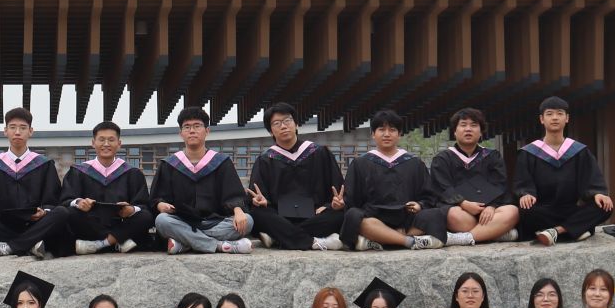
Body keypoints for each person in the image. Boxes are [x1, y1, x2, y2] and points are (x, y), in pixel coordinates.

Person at [11, 121, 154, 258]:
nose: (106, 144)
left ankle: (103, 244)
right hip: (90, 225)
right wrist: (79, 202)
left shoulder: (132, 173)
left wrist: (131, 210)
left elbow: (143, 205)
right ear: (93, 143)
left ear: (119, 143)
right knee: (68, 212)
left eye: (111, 140)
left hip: (122, 222)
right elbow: (65, 201)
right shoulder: (79, 171)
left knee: (146, 216)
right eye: (101, 140)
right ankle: (117, 240)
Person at [0, 106, 65, 257]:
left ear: (30, 131)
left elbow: (52, 199)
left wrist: (44, 212)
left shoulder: (43, 163)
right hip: (3, 223)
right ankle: (30, 245)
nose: (17, 132)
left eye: (23, 128)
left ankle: (9, 247)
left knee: (61, 212)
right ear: (5, 131)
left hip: (35, 223)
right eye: (12, 127)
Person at [152, 105, 254, 254]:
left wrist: (238, 211)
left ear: (207, 131)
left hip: (215, 222)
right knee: (162, 221)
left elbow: (233, 194)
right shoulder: (169, 164)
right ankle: (218, 245)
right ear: (181, 133)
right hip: (182, 221)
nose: (192, 130)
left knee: (248, 220)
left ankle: (186, 243)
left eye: (197, 126)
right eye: (187, 127)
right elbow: (157, 199)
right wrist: (161, 205)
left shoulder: (221, 162)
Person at [248, 103, 347, 251]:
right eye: (276, 123)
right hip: (279, 216)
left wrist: (330, 206)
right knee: (258, 214)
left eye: (287, 120)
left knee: (341, 214)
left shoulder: (320, 153)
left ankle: (279, 237)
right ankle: (314, 241)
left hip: (315, 215)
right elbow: (257, 197)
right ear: (270, 131)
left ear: (296, 124)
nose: (283, 126)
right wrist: (260, 201)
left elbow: (337, 191)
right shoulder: (265, 160)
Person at [516, 97, 614, 246]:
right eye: (549, 114)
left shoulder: (579, 151)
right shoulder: (529, 152)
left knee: (604, 207)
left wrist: (598, 193)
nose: (555, 118)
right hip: (543, 210)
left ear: (567, 118)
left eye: (560, 113)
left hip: (570, 209)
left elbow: (591, 179)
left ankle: (556, 231)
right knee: (524, 210)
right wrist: (526, 193)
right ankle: (574, 230)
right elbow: (522, 181)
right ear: (542, 119)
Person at [343, 110, 443, 251]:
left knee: (435, 214)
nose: (387, 134)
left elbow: (429, 196)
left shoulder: (414, 163)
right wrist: (341, 203)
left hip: (407, 216)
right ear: (373, 134)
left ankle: (382, 240)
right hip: (374, 217)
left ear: (399, 134)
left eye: (392, 130)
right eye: (381, 129)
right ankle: (408, 241)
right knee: (354, 216)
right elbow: (352, 200)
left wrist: (420, 205)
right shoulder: (360, 163)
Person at [426, 108, 520, 246]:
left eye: (474, 125)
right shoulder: (443, 159)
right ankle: (494, 232)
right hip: (460, 210)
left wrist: (491, 206)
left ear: (481, 132)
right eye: (463, 125)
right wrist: (463, 203)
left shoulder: (492, 156)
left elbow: (499, 185)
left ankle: (465, 238)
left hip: (489, 212)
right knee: (453, 214)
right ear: (455, 131)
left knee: (512, 211)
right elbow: (442, 188)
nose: (468, 129)